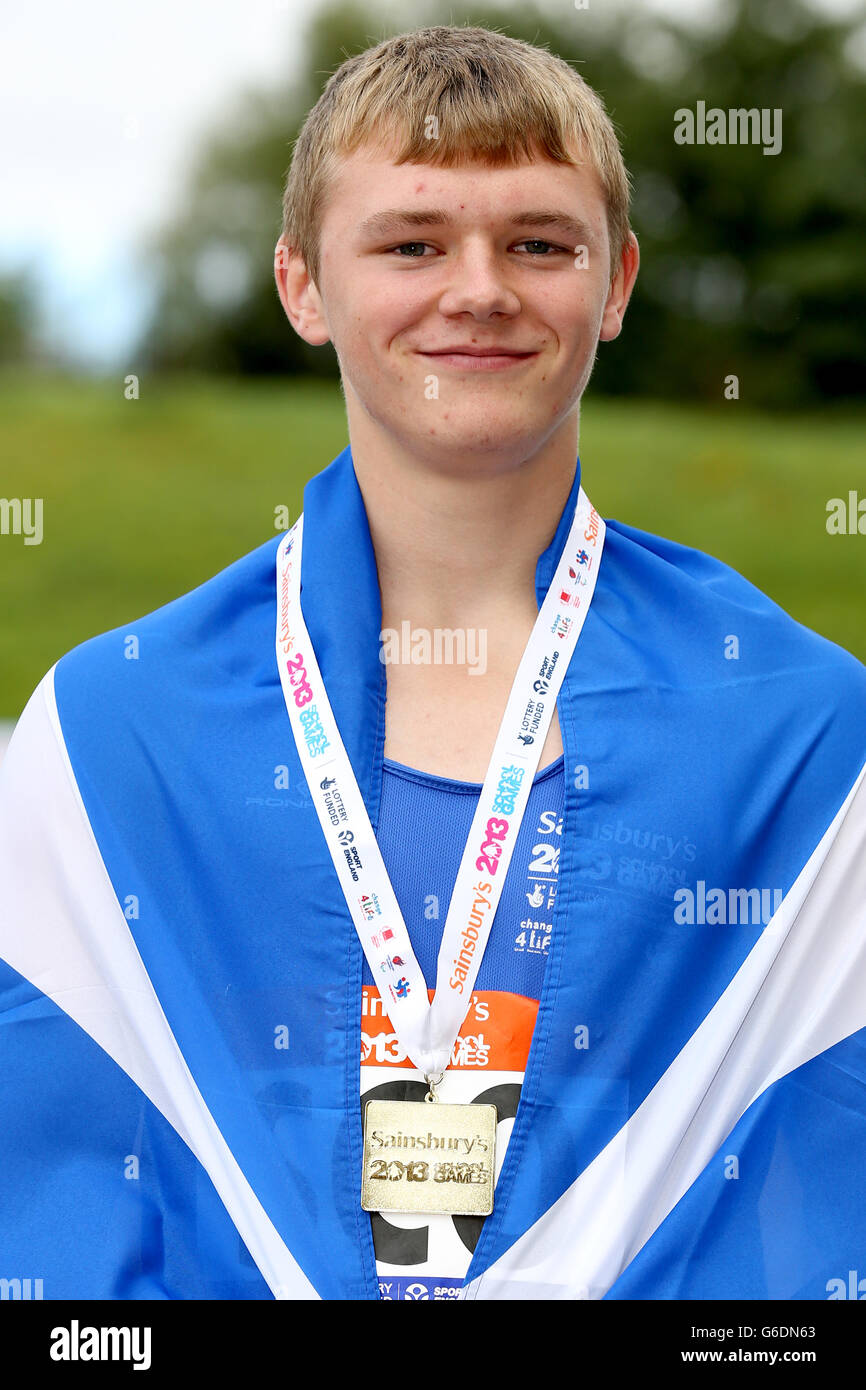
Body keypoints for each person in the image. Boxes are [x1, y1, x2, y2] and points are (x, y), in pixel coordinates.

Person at [1, 24, 865, 1304]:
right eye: (411, 242)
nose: (479, 290)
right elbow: (62, 1213)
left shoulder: (797, 733)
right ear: (301, 285)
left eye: (538, 243)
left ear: (616, 282)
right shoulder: (112, 732)